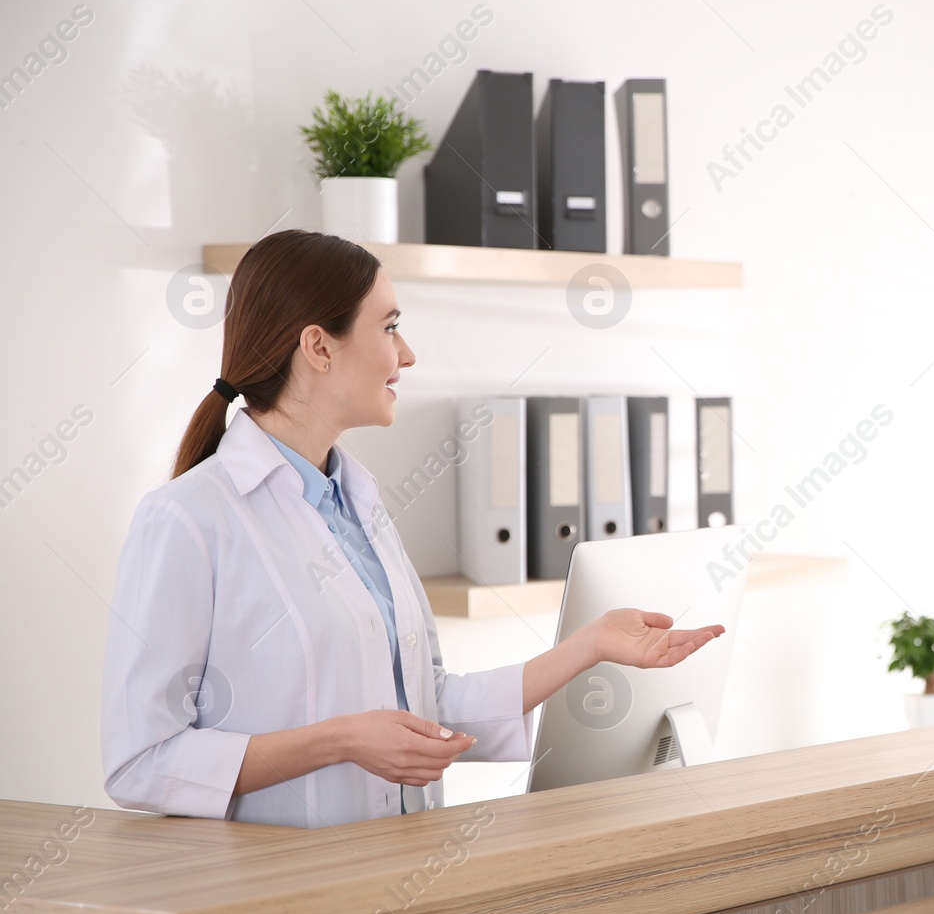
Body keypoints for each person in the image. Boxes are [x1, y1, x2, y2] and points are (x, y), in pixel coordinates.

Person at [102, 230, 723, 829]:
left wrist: (587, 647)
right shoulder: (187, 519)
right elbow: (141, 762)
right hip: (280, 894)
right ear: (318, 347)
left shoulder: (359, 502)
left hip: (400, 872)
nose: (407, 354)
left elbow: (426, 706)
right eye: (391, 327)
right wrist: (339, 741)